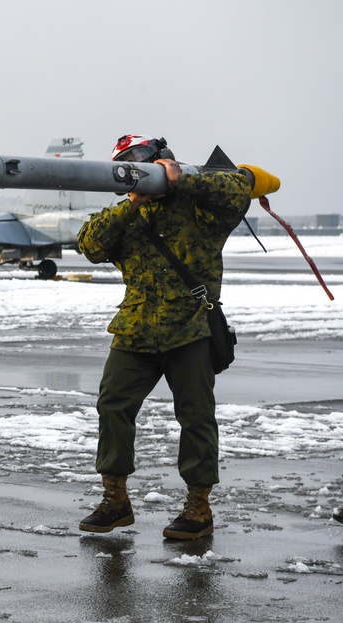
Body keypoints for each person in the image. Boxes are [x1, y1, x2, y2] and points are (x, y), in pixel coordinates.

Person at [76, 134, 275, 540]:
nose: (135, 167)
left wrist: (180, 178)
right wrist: (134, 203)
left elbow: (238, 187)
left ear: (160, 157)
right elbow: (90, 244)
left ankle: (198, 507)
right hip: (135, 330)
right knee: (112, 406)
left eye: (140, 160)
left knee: (196, 416)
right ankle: (116, 500)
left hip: (189, 329)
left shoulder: (201, 209)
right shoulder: (128, 216)